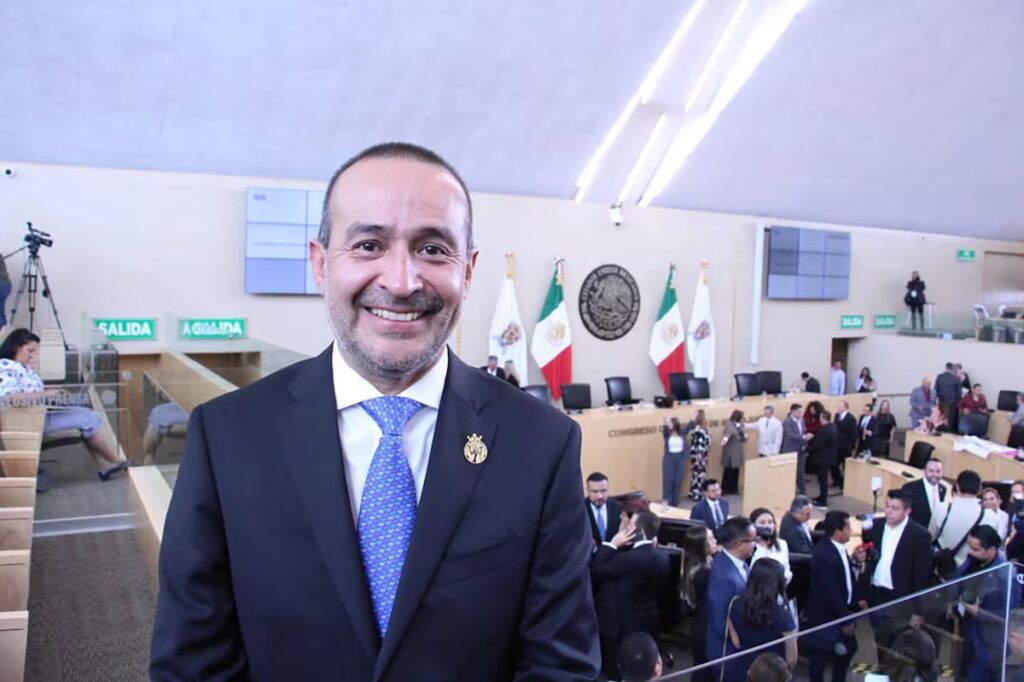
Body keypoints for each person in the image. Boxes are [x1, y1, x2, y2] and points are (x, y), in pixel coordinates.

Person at [150, 142, 600, 680]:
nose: (401, 281)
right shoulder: (227, 437)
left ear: (468, 270)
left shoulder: (541, 443)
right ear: (321, 264)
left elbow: (559, 667)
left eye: (432, 249)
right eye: (368, 245)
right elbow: (193, 665)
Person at [0, 328, 128, 480]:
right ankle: (114, 460)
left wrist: (52, 391)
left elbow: (28, 390)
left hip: (39, 414)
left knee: (86, 414)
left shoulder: (21, 367)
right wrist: (45, 394)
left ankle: (105, 466)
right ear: (16, 347)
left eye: (35, 352)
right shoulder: (5, 367)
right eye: (30, 351)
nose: (33, 356)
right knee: (87, 419)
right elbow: (9, 398)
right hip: (29, 422)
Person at [591, 512, 670, 678]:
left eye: (631, 525)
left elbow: (597, 568)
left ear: (640, 531)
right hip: (647, 622)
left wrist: (612, 543)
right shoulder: (663, 557)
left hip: (622, 627)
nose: (628, 527)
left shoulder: (629, 560)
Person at [861, 490, 933, 658]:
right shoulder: (876, 526)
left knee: (900, 645)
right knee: (880, 641)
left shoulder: (920, 535)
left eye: (895, 508)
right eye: (887, 506)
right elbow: (869, 556)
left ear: (907, 511)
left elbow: (920, 575)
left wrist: (918, 611)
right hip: (877, 595)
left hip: (901, 599)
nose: (888, 511)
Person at [950, 525, 1022, 682]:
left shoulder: (1005, 576)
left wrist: (978, 612)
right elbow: (957, 581)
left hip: (988, 646)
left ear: (991, 550)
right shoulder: (972, 561)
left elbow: (1008, 615)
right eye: (970, 547)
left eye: (976, 549)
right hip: (967, 635)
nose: (970, 552)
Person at [803, 511, 861, 682]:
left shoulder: (838, 548)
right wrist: (845, 620)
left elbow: (845, 578)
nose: (851, 531)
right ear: (837, 531)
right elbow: (831, 592)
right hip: (826, 618)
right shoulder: (825, 555)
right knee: (819, 659)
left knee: (846, 651)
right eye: (848, 527)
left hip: (840, 612)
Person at [723, 558, 797, 682]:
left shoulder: (735, 605)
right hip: (772, 675)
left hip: (744, 670)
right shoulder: (783, 616)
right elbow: (791, 658)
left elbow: (736, 642)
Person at [706, 517, 756, 671]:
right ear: (738, 544)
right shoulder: (724, 577)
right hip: (727, 653)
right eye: (752, 540)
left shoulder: (738, 562)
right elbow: (720, 622)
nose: (755, 544)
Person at [930, 469, 999, 567]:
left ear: (957, 486)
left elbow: (930, 537)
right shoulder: (990, 516)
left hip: (941, 567)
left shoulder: (942, 508)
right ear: (980, 489)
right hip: (974, 571)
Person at [680, 525, 718, 682]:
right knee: (704, 668)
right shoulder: (703, 574)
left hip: (699, 622)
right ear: (702, 546)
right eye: (711, 539)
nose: (715, 541)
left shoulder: (697, 565)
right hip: (705, 625)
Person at [901, 458, 946, 530]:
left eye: (938, 471)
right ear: (924, 471)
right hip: (915, 532)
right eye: (931, 471)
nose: (935, 474)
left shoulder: (942, 489)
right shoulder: (910, 488)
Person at [750, 508, 792, 584]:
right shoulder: (749, 546)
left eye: (770, 522)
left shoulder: (782, 544)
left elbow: (787, 571)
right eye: (762, 523)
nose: (767, 526)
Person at [662, 415, 696, 507]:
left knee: (677, 482)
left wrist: (693, 418)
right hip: (669, 460)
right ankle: (666, 504)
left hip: (680, 459)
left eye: (670, 423)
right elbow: (665, 429)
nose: (669, 425)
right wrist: (665, 422)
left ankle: (675, 504)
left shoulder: (682, 434)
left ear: (675, 425)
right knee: (668, 482)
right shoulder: (667, 435)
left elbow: (689, 427)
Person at [807, 411, 837, 507]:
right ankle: (822, 497)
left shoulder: (824, 430)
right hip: (829, 457)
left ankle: (823, 501)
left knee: (823, 480)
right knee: (823, 480)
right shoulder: (833, 427)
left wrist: (807, 448)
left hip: (823, 459)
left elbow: (817, 445)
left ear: (823, 418)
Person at [586, 471, 623, 546]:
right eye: (594, 492)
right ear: (587, 491)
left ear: (608, 489)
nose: (600, 496)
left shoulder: (618, 507)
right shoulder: (581, 510)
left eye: (603, 491)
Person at [780, 404, 809, 494]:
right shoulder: (787, 422)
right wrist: (803, 437)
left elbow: (803, 431)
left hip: (801, 450)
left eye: (801, 412)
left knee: (801, 471)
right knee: (789, 472)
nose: (800, 413)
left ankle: (802, 491)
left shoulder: (802, 421)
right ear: (793, 412)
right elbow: (790, 435)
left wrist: (805, 440)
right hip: (790, 450)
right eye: (799, 412)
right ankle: (788, 491)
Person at [721, 410, 747, 494]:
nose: (743, 418)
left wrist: (744, 436)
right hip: (730, 451)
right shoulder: (729, 425)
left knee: (736, 470)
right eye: (742, 417)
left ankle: (734, 489)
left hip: (738, 451)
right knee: (729, 471)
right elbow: (727, 435)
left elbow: (743, 438)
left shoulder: (741, 426)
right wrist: (724, 440)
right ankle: (725, 489)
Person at [688, 410, 711, 501]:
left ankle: (693, 492)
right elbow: (703, 444)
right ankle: (697, 494)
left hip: (698, 454)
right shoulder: (701, 430)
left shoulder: (697, 430)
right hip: (700, 454)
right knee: (699, 474)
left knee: (696, 473)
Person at [833, 400, 857, 483]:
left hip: (846, 446)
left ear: (845, 408)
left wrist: (851, 445)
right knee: (834, 463)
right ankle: (837, 480)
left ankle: (845, 482)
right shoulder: (837, 416)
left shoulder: (851, 418)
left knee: (845, 466)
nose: (838, 408)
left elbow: (854, 433)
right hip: (837, 445)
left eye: (840, 406)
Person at [934, 362, 961, 430]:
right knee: (950, 421)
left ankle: (940, 431)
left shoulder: (940, 377)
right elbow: (959, 393)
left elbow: (936, 389)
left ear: (946, 368)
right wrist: (956, 402)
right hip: (952, 403)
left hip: (941, 402)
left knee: (940, 419)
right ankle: (948, 432)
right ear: (952, 369)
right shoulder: (956, 378)